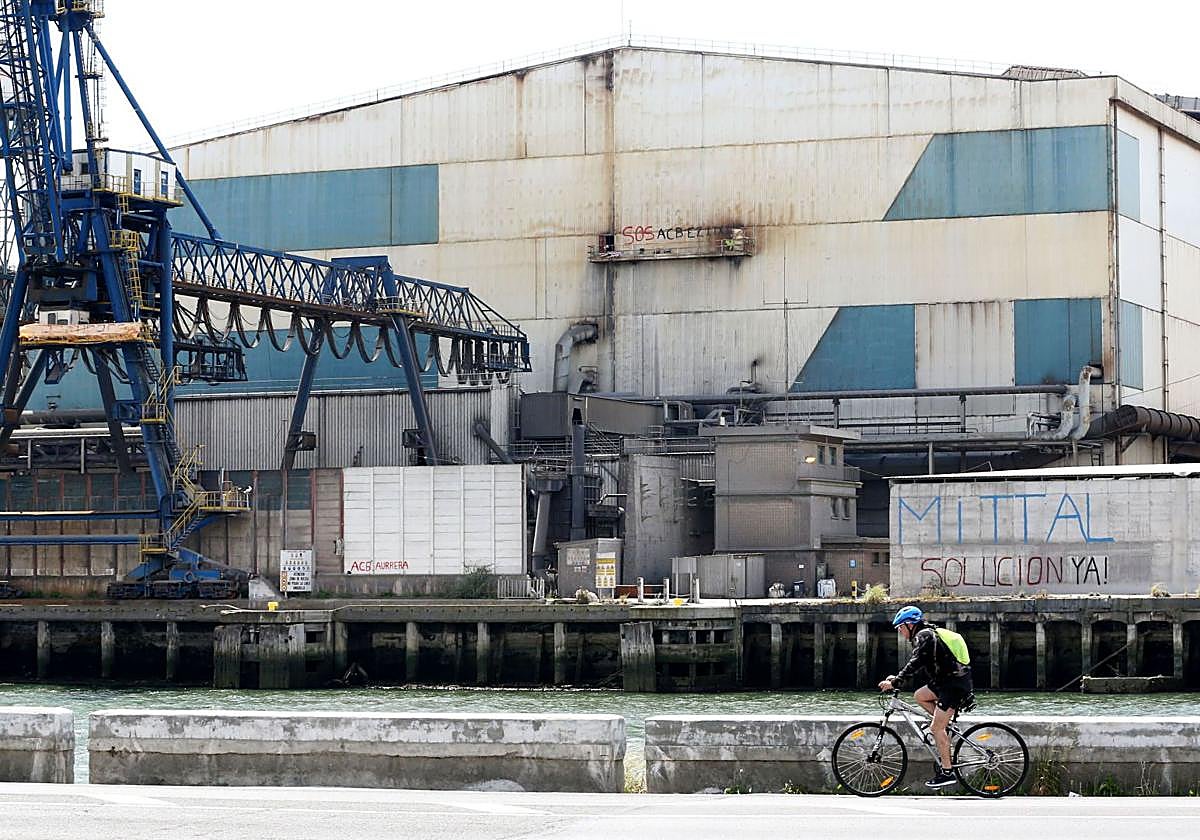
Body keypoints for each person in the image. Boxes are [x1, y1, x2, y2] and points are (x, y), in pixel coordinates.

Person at [877, 605, 974, 789]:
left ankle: (947, 772)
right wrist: (897, 678)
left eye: (900, 628)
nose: (900, 632)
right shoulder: (925, 635)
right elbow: (918, 662)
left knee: (936, 728)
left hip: (953, 685)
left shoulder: (925, 636)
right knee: (920, 696)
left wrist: (896, 682)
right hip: (945, 682)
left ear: (909, 625)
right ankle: (944, 726)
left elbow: (916, 662)